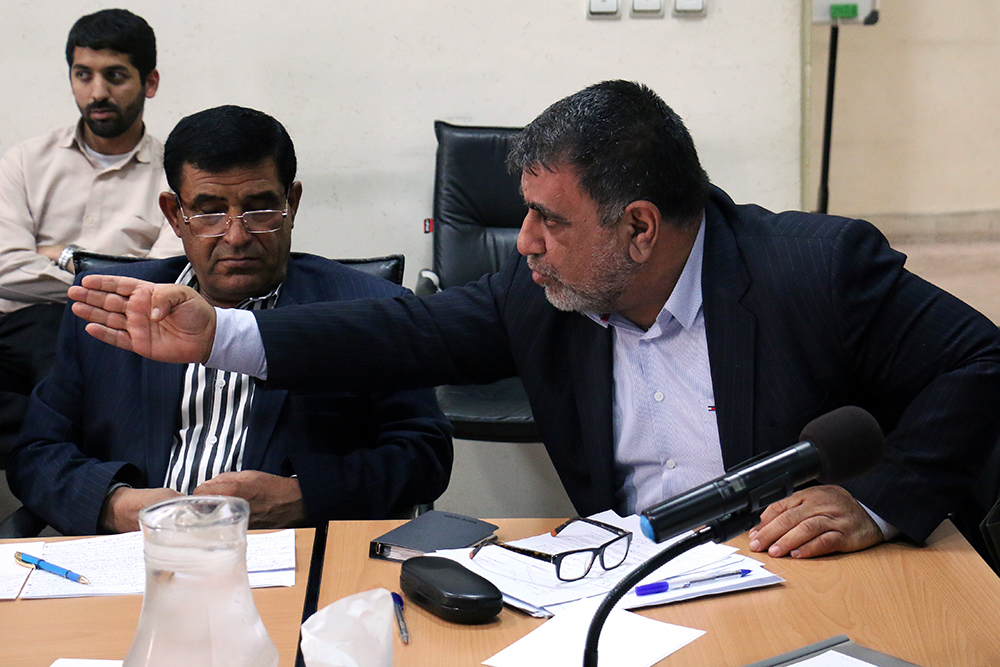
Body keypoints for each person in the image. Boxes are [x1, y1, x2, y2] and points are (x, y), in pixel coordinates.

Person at [68, 81, 1000, 558]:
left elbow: (981, 363)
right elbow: (403, 333)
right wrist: (220, 334)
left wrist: (880, 500)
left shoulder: (815, 268)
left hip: (812, 571)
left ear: (639, 227)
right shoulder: (540, 295)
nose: (523, 244)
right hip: (642, 586)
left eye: (549, 220)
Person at [7, 105, 452, 535]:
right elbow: (37, 452)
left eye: (259, 208)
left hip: (292, 556)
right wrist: (113, 505)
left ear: (292, 203)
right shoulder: (109, 311)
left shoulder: (369, 309)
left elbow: (424, 454)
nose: (236, 236)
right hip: (136, 557)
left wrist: (302, 496)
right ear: (174, 214)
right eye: (209, 211)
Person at [0, 9, 183, 460]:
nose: (97, 92)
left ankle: (64, 468)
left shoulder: (176, 176)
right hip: (16, 327)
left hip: (114, 335)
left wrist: (58, 255)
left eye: (115, 76)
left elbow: (159, 282)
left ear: (150, 82)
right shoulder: (25, 161)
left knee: (69, 362)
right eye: (83, 75)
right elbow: (4, 266)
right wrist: (108, 275)